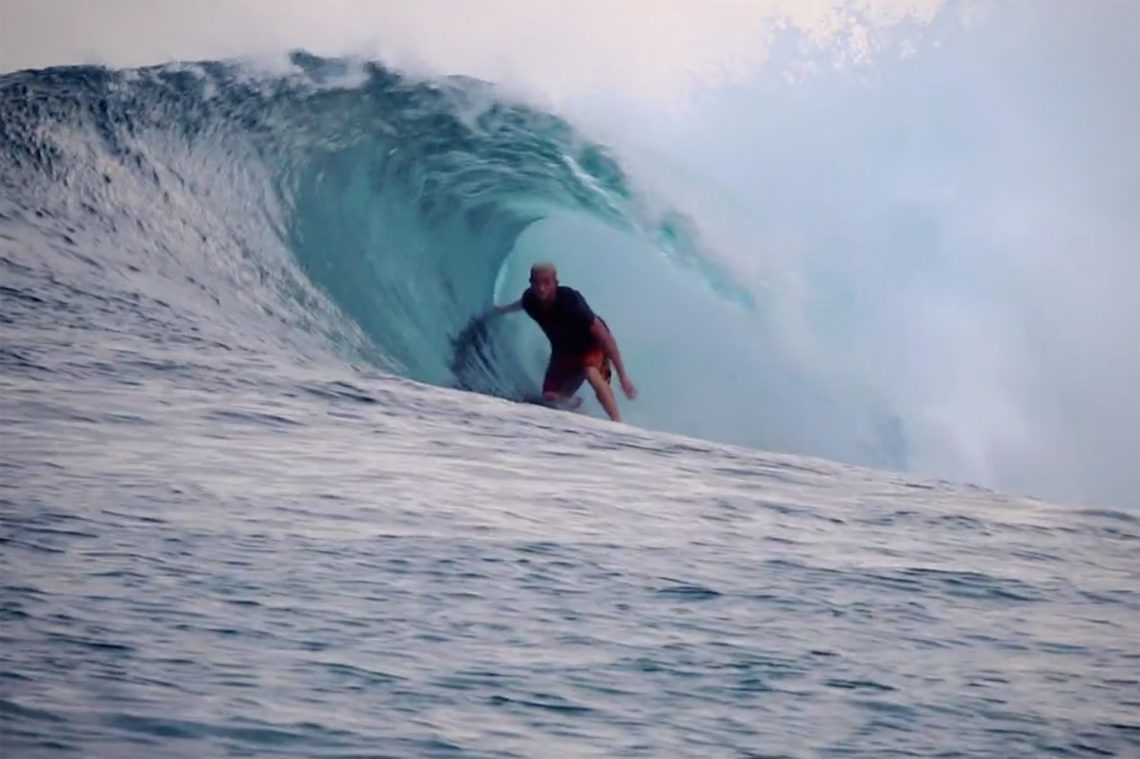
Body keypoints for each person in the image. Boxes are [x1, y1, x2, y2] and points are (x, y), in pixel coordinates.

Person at [489, 262, 636, 421]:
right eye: (536, 283)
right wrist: (501, 310)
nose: (541, 288)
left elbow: (605, 337)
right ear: (530, 282)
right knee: (549, 397)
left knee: (590, 371)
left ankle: (617, 422)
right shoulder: (529, 300)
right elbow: (520, 304)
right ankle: (582, 414)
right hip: (564, 350)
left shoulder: (571, 302)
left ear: (555, 284)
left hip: (591, 344)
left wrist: (623, 377)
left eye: (546, 282)